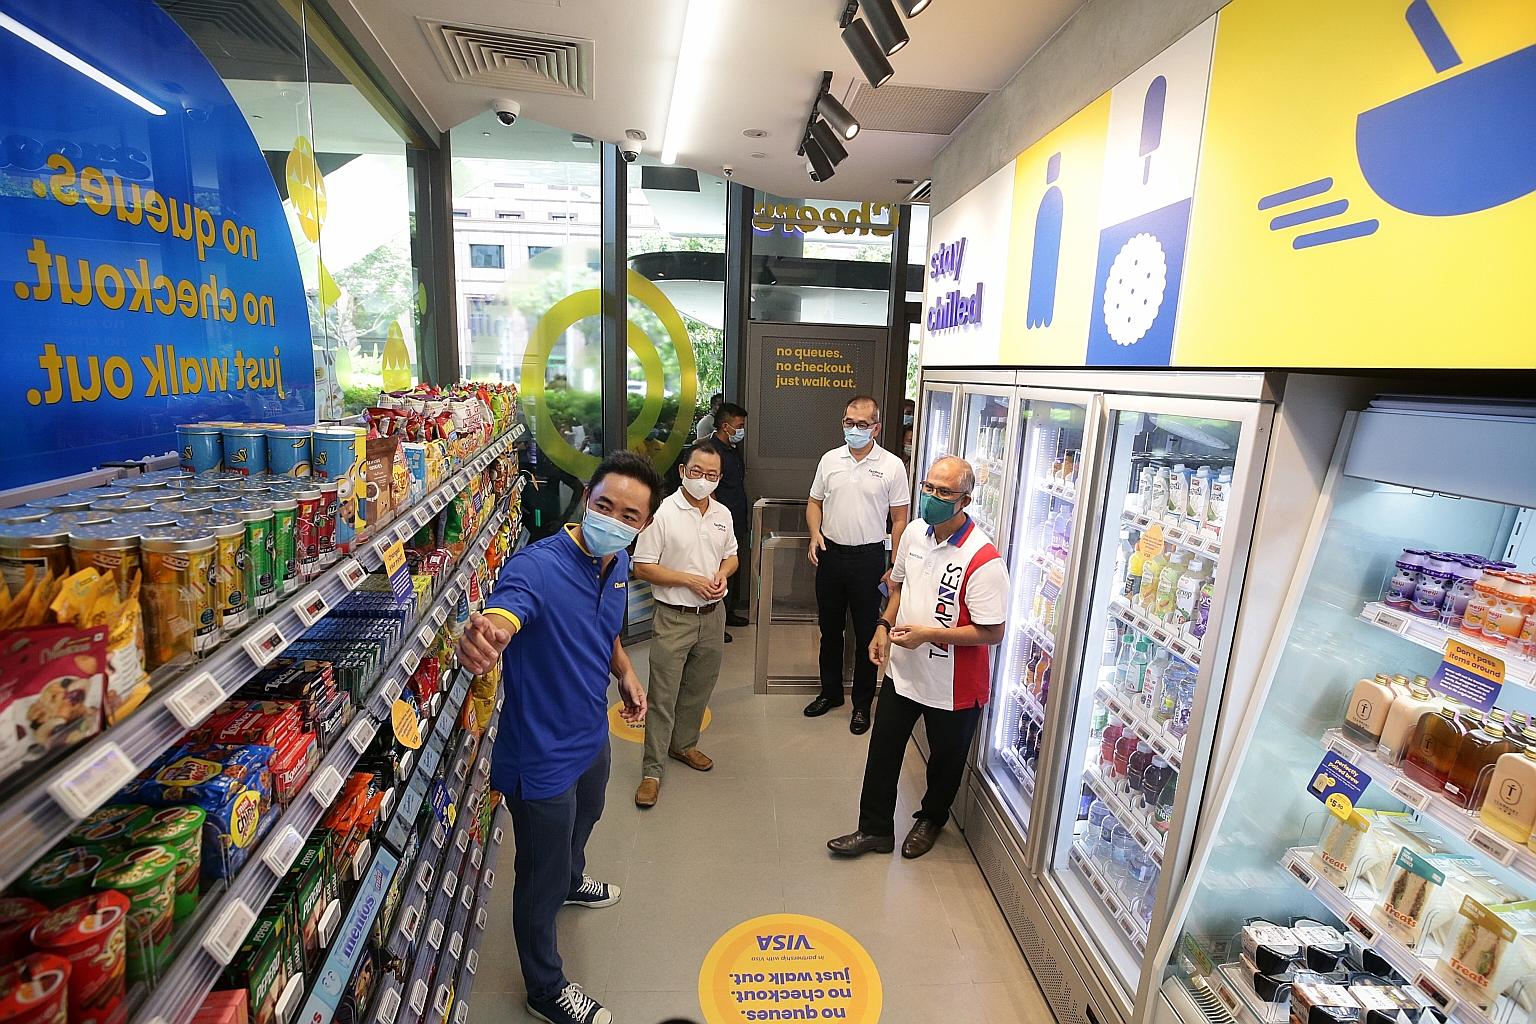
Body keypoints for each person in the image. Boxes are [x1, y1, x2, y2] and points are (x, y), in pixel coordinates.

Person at [456, 451, 661, 1024]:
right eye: (604, 505)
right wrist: (488, 633)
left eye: (629, 515)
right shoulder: (536, 567)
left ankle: (573, 879)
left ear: (643, 523)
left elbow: (605, 631)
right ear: (586, 500)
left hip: (591, 735)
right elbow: (507, 612)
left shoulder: (617, 562)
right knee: (537, 879)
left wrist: (625, 672)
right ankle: (545, 989)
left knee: (588, 814)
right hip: (540, 753)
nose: (613, 520)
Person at [828, 455, 1009, 860]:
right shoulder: (913, 533)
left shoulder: (982, 558)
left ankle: (931, 818)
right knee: (883, 752)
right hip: (904, 671)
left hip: (954, 684)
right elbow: (898, 587)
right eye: (929, 487)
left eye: (944, 492)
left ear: (965, 500)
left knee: (945, 761)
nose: (932, 497)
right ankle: (874, 829)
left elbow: (992, 632)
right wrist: (882, 626)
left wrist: (929, 634)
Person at [631, 444, 739, 807]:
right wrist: (688, 580)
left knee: (698, 688)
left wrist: (722, 574)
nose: (703, 480)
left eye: (711, 475)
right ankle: (652, 771)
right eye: (696, 472)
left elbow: (732, 556)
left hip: (712, 617)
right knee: (663, 696)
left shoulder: (722, 514)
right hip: (673, 617)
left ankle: (684, 744)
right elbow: (642, 566)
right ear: (682, 471)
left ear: (719, 478)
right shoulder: (662, 513)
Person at [805, 395, 910, 735]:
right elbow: (814, 502)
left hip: (869, 559)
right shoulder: (830, 460)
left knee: (868, 632)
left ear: (876, 428)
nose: (854, 429)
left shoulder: (892, 465)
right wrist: (814, 534)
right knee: (830, 629)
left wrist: (895, 563)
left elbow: (900, 518)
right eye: (849, 423)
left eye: (862, 424)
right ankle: (830, 692)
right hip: (831, 555)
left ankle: (862, 704)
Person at [705, 402, 751, 634]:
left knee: (733, 568)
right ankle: (716, 624)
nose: (741, 430)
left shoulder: (732, 449)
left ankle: (729, 612)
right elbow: (710, 488)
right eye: (739, 425)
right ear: (725, 426)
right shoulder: (711, 452)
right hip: (720, 521)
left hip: (737, 518)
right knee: (717, 569)